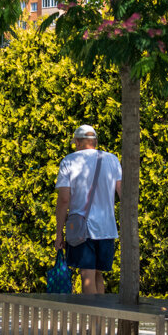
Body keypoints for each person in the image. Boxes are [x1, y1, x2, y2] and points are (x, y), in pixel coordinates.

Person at [54, 124, 122, 294]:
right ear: (95, 141)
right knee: (98, 275)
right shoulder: (112, 159)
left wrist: (59, 233)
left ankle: (92, 321)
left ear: (77, 142)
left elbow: (63, 200)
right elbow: (123, 193)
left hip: (82, 229)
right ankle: (100, 320)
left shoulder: (69, 161)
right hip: (107, 227)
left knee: (87, 276)